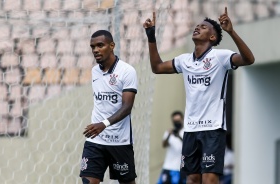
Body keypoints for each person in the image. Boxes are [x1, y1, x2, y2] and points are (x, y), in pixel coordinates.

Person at [143, 7, 254, 184]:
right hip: (191, 130)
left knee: (209, 179)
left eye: (203, 27)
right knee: (192, 179)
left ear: (212, 37)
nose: (197, 27)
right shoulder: (184, 60)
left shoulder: (220, 57)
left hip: (213, 128)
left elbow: (249, 59)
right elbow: (157, 67)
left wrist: (231, 32)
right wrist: (151, 37)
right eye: (197, 25)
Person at [80, 30, 138, 184]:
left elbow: (127, 107)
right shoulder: (94, 71)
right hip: (95, 140)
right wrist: (99, 126)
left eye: (100, 45)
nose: (95, 50)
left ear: (112, 46)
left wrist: (103, 124)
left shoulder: (127, 71)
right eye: (92, 47)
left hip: (119, 141)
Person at [157, 111, 186, 184]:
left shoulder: (186, 132)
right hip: (168, 166)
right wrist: (169, 136)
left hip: (179, 168)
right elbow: (164, 145)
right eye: (175, 121)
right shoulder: (169, 132)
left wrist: (178, 136)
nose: (176, 123)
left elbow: (187, 145)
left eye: (178, 121)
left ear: (182, 120)